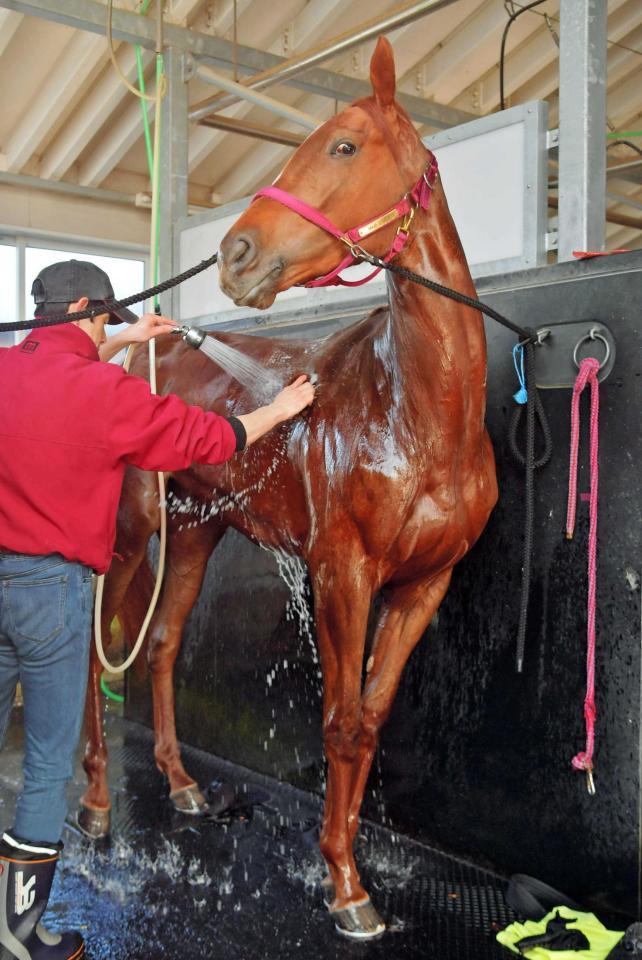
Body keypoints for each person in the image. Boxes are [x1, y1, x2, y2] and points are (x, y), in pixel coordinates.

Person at [0, 259, 314, 960]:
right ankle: (19, 934)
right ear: (85, 308)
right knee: (49, 761)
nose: (107, 329)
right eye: (103, 318)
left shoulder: (4, 368)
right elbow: (211, 441)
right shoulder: (107, 394)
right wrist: (279, 411)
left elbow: (56, 367)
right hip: (50, 593)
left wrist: (122, 337)